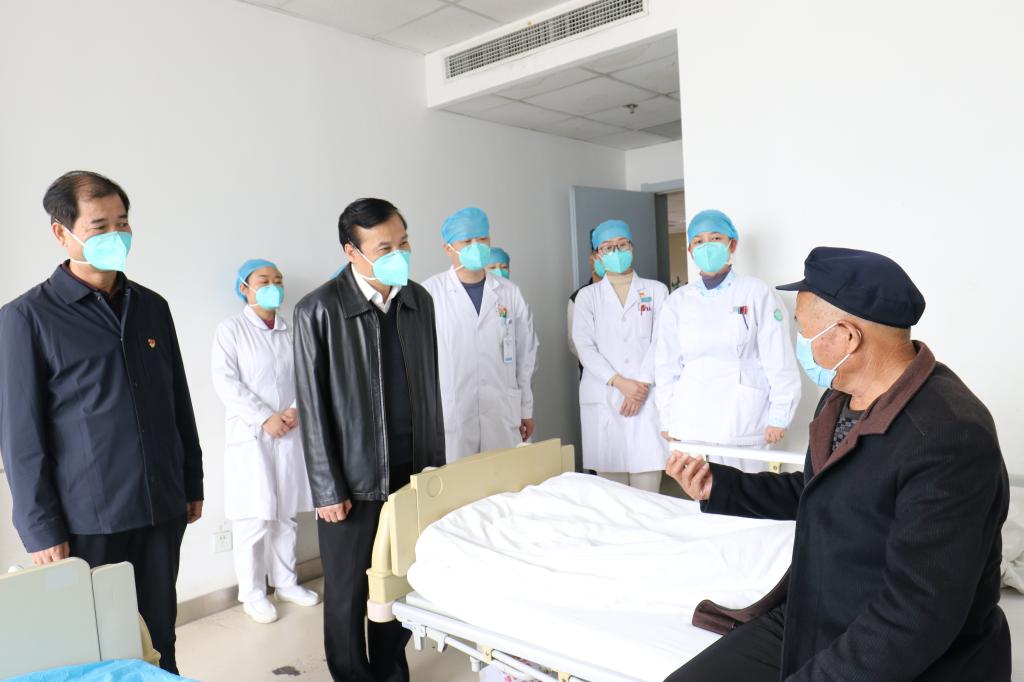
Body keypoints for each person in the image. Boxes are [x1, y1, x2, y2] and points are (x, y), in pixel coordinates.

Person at [664, 247, 1010, 681]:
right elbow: (821, 489)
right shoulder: (841, 398)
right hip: (816, 615)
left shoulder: (947, 435)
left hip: (897, 647)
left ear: (847, 337)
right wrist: (719, 486)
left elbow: (916, 615)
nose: (799, 340)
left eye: (804, 329)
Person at [0, 171, 203, 673]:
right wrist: (41, 528)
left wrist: (191, 481)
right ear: (61, 232)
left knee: (160, 632)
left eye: (122, 223)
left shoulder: (152, 307)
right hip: (88, 521)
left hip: (161, 506)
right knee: (100, 646)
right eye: (99, 226)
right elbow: (21, 437)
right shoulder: (27, 318)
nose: (116, 235)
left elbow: (178, 401)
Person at [292, 198, 445, 682]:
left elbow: (430, 388)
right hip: (352, 480)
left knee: (397, 582)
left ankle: (391, 671)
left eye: (404, 242)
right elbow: (312, 406)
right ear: (351, 252)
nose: (399, 254)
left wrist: (435, 469)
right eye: (385, 248)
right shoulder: (318, 310)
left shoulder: (418, 300)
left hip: (411, 471)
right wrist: (326, 488)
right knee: (347, 593)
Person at [211, 259, 319, 625]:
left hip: (289, 433)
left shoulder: (292, 330)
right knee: (253, 519)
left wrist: (295, 410)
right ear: (244, 288)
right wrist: (264, 417)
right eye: (264, 280)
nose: (273, 286)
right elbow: (226, 382)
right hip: (252, 436)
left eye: (278, 280)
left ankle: (286, 583)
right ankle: (253, 593)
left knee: (285, 515)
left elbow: (308, 375)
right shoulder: (231, 330)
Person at [654, 210, 800, 472]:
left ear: (732, 244)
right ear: (690, 249)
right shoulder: (677, 302)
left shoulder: (756, 292)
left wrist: (780, 415)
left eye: (715, 238)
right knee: (697, 490)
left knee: (746, 491)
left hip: (742, 417)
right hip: (691, 418)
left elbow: (778, 358)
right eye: (699, 241)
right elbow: (666, 367)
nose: (707, 246)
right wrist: (667, 419)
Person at [423, 207, 539, 462]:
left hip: (502, 412)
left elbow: (526, 355)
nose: (476, 246)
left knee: (504, 478)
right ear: (448, 248)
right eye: (467, 241)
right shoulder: (429, 293)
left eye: (482, 239)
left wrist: (525, 409)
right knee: (457, 482)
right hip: (452, 415)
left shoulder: (509, 292)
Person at [572, 220, 669, 492]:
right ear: (597, 255)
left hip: (646, 397)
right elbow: (585, 347)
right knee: (611, 497)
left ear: (632, 247)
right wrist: (620, 382)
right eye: (607, 247)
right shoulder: (587, 297)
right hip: (605, 396)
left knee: (648, 492)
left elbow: (663, 341)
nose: (615, 251)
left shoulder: (657, 291)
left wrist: (640, 386)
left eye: (621, 245)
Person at [567, 229, 605, 373]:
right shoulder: (578, 298)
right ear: (592, 258)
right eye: (600, 254)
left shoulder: (628, 294)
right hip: (592, 374)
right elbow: (575, 343)